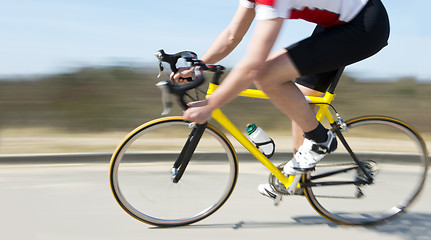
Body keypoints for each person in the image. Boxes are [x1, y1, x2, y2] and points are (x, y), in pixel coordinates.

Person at [172, 0, 390, 202]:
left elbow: (253, 65)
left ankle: (320, 139)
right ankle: (299, 179)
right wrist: (198, 65)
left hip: (364, 26)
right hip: (338, 24)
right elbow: (231, 35)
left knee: (266, 74)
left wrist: (212, 104)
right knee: (302, 100)